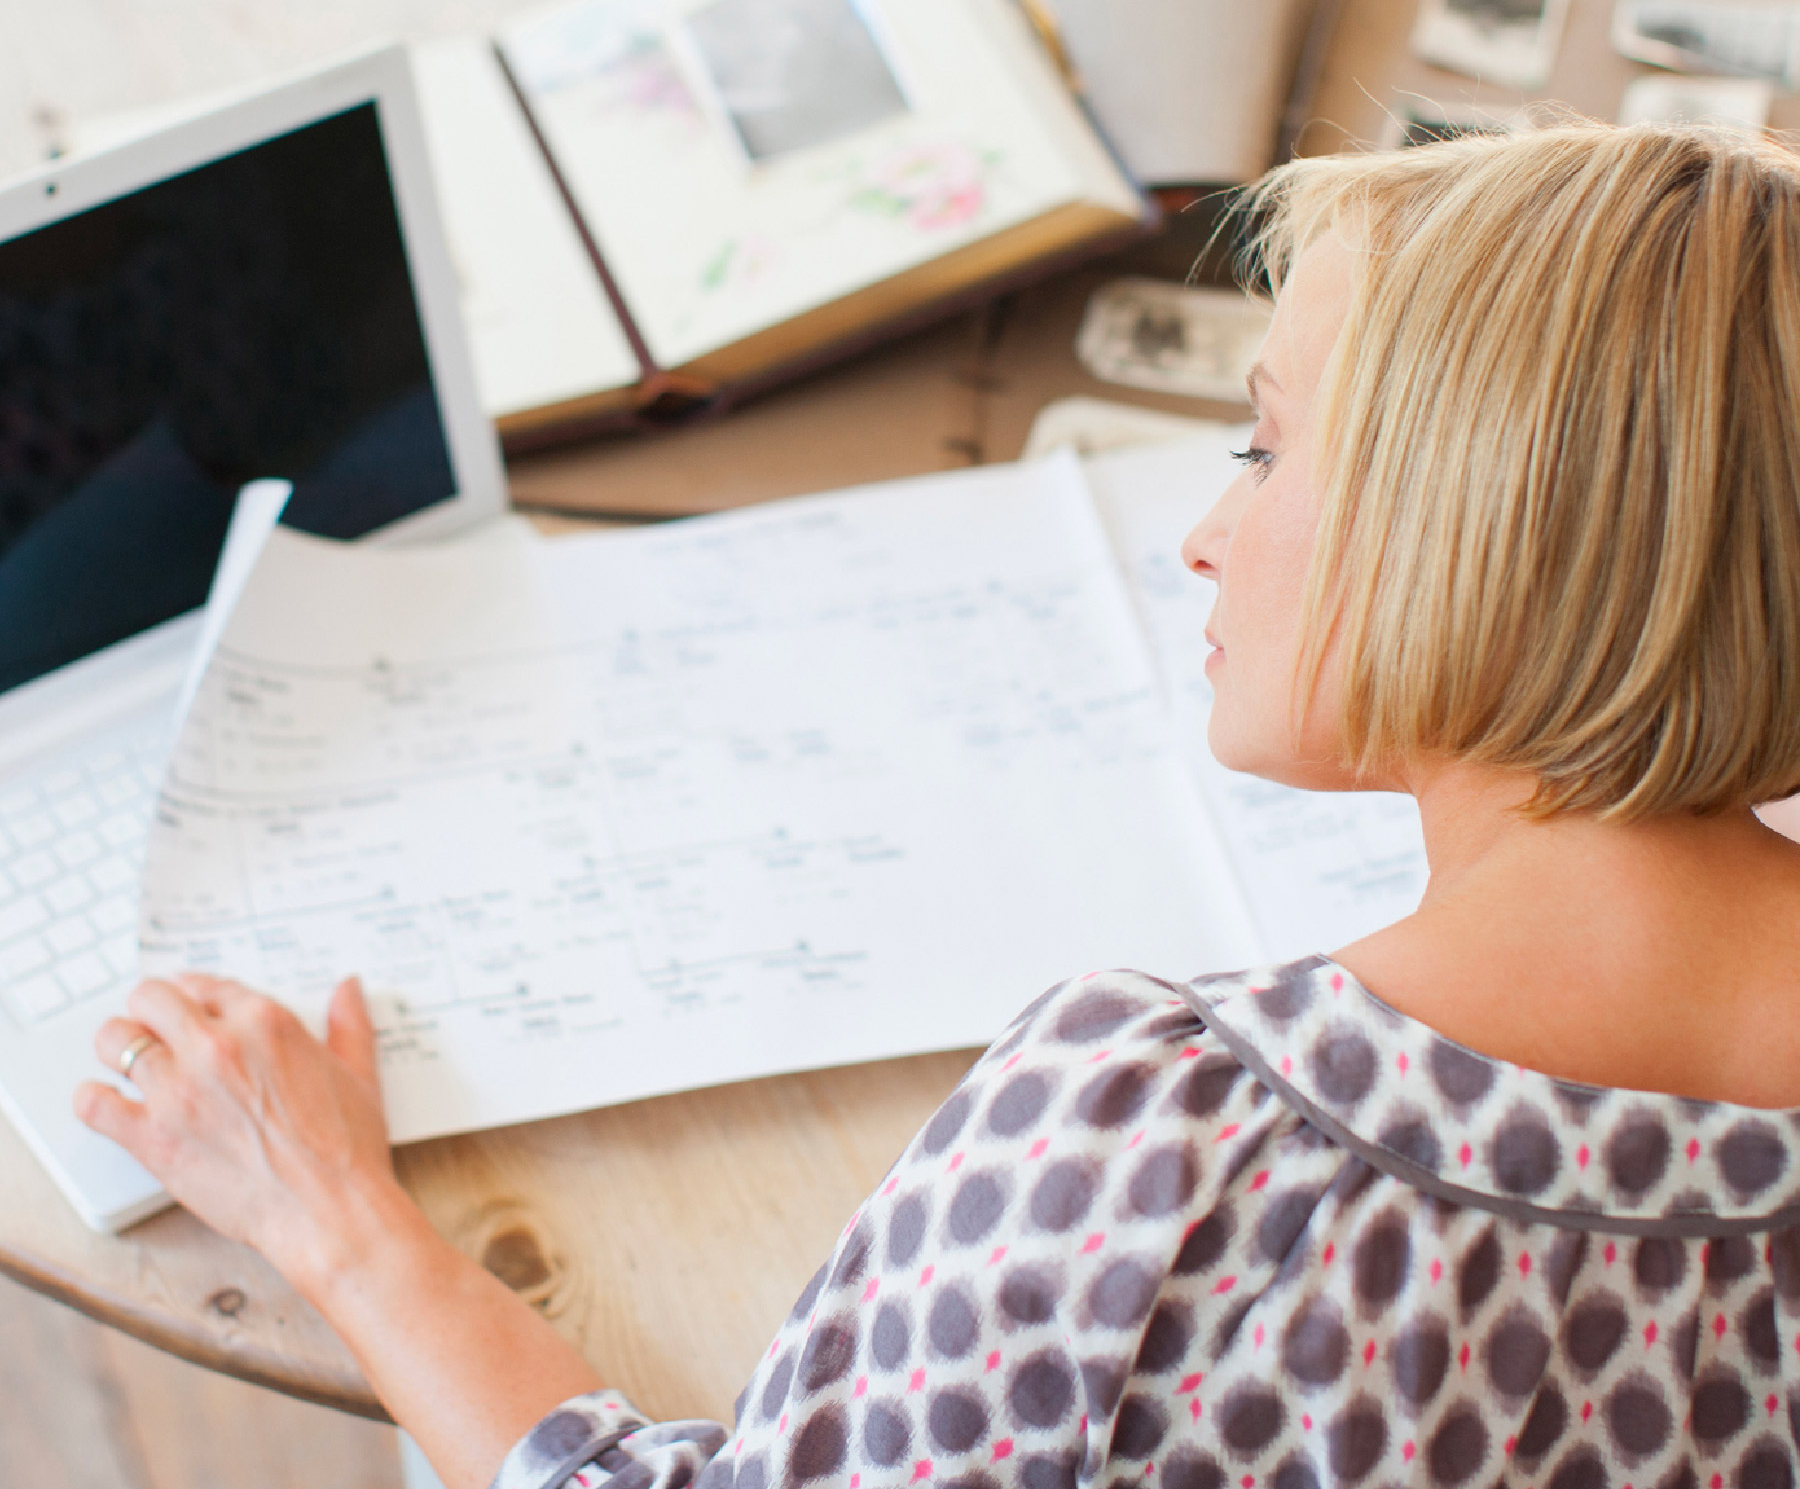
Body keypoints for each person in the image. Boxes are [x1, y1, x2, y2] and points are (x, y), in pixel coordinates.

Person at [77, 120, 1800, 1489]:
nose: (1205, 530)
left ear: (1475, 525)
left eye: (1266, 448)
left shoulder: (1164, 1138)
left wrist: (335, 1216)